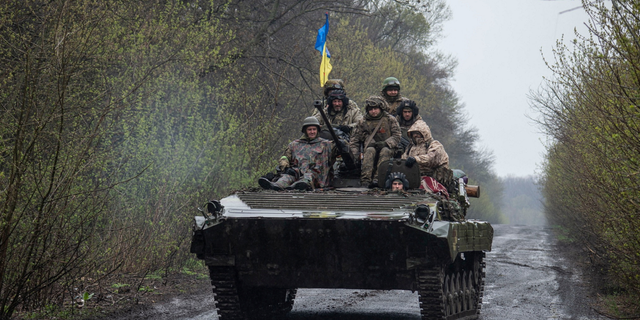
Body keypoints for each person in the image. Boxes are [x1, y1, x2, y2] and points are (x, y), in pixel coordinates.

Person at [259, 117, 336, 191]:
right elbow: (285, 157)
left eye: (314, 129)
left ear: (317, 130)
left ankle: (298, 186)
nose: (312, 132)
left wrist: (342, 143)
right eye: (309, 130)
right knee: (286, 177)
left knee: (307, 178)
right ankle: (277, 185)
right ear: (305, 131)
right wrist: (285, 166)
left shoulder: (326, 145)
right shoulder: (294, 145)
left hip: (316, 176)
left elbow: (340, 150)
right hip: (296, 173)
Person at [349, 96, 401, 187]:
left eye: (375, 108)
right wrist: (355, 156)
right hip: (369, 148)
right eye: (371, 109)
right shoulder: (363, 122)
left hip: (388, 148)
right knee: (370, 151)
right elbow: (355, 139)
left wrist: (386, 143)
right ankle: (365, 180)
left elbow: (397, 135)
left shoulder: (390, 119)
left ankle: (378, 179)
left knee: (385, 151)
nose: (373, 111)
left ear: (381, 108)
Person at [401, 120, 452, 187]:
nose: (415, 135)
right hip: (414, 176)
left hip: (433, 178)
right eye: (414, 133)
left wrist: (415, 159)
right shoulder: (410, 147)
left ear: (424, 133)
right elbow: (403, 159)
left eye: (418, 133)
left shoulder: (434, 144)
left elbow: (432, 158)